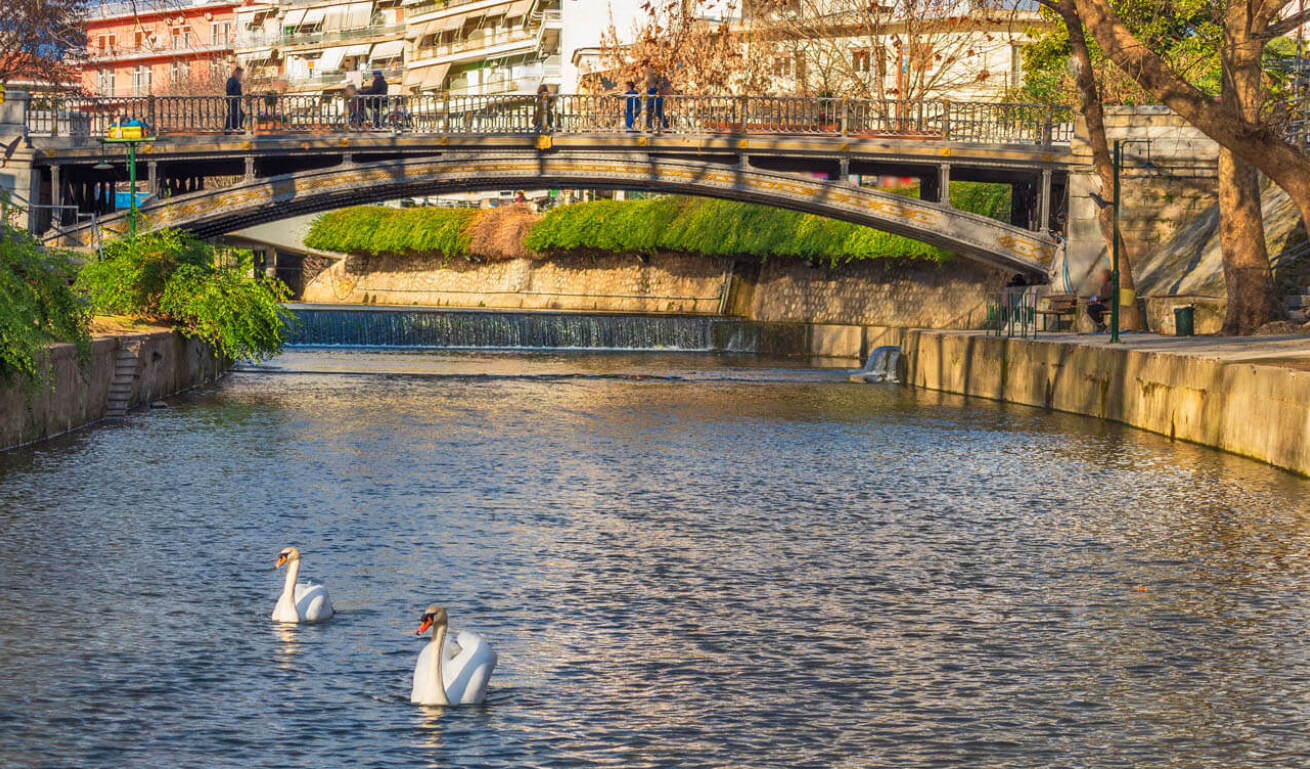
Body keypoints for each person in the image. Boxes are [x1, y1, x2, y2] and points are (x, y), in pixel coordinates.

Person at [1086, 267, 1113, 332]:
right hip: (1105, 304)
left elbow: (1106, 296)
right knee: (1091, 307)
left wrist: (1096, 299)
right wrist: (1093, 299)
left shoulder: (1111, 284)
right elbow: (1103, 296)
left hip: (1109, 305)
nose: (1101, 277)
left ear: (1107, 276)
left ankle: (1101, 325)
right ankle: (1101, 325)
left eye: (1103, 276)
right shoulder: (1105, 284)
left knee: (1091, 309)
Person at [225, 65, 244, 133]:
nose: (241, 76)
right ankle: (234, 130)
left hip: (235, 102)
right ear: (237, 73)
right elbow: (229, 90)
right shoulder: (232, 80)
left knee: (236, 115)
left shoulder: (235, 81)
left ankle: (234, 130)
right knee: (234, 116)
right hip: (233, 102)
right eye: (240, 74)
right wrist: (232, 99)